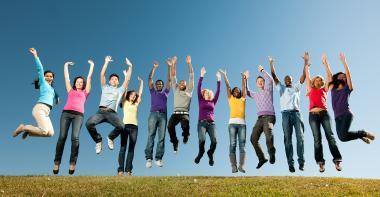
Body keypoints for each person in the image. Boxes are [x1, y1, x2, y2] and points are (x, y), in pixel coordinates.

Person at [53, 60, 94, 175]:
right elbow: (67, 78)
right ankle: (57, 162)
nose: (79, 83)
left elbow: (89, 78)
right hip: (66, 114)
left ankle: (72, 163)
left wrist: (92, 66)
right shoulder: (70, 90)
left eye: (81, 82)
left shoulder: (86, 92)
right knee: (62, 137)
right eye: (77, 82)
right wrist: (65, 65)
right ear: (75, 83)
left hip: (78, 116)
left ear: (83, 84)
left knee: (75, 138)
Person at [85, 56, 132, 154]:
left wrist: (130, 67)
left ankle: (110, 138)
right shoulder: (105, 87)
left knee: (121, 126)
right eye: (112, 79)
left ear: (118, 82)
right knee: (89, 123)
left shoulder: (120, 90)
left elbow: (127, 80)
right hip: (101, 112)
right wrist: (106, 62)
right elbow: (102, 75)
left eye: (116, 79)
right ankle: (98, 140)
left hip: (112, 113)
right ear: (109, 81)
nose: (114, 80)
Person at [305, 53, 342, 173]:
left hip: (324, 114)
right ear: (314, 81)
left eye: (321, 80)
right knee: (317, 139)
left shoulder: (324, 89)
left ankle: (337, 160)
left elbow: (330, 77)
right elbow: (307, 75)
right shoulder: (310, 90)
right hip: (312, 116)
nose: (319, 80)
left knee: (330, 137)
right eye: (318, 79)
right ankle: (320, 163)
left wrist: (326, 64)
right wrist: (306, 65)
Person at [269, 54, 307, 173]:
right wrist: (271, 63)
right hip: (285, 115)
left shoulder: (296, 87)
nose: (288, 80)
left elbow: (303, 77)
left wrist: (305, 62)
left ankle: (301, 162)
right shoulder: (280, 88)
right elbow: (274, 76)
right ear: (284, 81)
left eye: (290, 78)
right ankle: (290, 164)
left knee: (300, 138)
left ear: (292, 80)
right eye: (286, 79)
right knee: (288, 139)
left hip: (296, 114)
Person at [328, 53, 375, 143]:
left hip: (346, 114)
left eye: (344, 77)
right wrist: (325, 63)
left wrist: (344, 62)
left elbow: (348, 74)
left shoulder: (347, 88)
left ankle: (363, 133)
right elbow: (329, 75)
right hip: (337, 117)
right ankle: (361, 135)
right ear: (336, 78)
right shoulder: (333, 89)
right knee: (342, 138)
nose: (343, 77)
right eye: (340, 76)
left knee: (343, 135)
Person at [13, 48, 59, 139]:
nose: (49, 77)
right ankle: (23, 127)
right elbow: (40, 69)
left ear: (53, 78)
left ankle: (29, 130)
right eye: (47, 76)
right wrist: (35, 55)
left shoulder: (52, 90)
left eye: (51, 76)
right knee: (44, 130)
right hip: (40, 108)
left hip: (47, 112)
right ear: (44, 77)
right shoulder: (43, 83)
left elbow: (56, 93)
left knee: (50, 133)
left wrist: (57, 98)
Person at [246, 64, 276, 169]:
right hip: (259, 119)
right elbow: (246, 91)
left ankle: (272, 153)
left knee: (268, 134)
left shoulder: (268, 89)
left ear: (264, 83)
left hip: (269, 116)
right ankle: (262, 158)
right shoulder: (255, 95)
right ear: (256, 84)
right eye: (258, 81)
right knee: (253, 138)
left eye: (262, 81)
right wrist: (246, 79)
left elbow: (270, 80)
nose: (260, 82)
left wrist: (262, 71)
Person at [219, 69, 247, 173]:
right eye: (234, 90)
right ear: (232, 93)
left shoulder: (242, 99)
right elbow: (228, 87)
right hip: (232, 124)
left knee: (242, 145)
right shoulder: (230, 98)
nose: (236, 91)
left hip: (242, 125)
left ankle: (241, 166)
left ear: (239, 93)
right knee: (232, 144)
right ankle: (233, 166)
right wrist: (225, 76)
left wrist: (243, 79)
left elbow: (244, 89)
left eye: (237, 91)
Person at [145, 59, 171, 168]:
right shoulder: (153, 91)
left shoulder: (166, 92)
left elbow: (169, 80)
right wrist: (154, 68)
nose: (159, 85)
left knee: (161, 137)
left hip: (163, 116)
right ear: (156, 86)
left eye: (161, 84)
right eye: (158, 84)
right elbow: (149, 78)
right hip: (153, 114)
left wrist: (169, 66)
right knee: (151, 135)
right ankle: (149, 158)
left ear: (162, 85)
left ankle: (158, 158)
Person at [194, 67, 221, 166]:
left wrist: (219, 80)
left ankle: (210, 153)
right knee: (202, 139)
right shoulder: (200, 100)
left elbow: (218, 91)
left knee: (214, 141)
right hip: (201, 123)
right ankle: (201, 153)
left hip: (211, 124)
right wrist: (202, 75)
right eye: (204, 92)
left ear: (209, 94)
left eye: (207, 93)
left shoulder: (213, 101)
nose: (205, 93)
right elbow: (198, 87)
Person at [167, 56, 194, 153]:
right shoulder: (176, 89)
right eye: (180, 82)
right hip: (175, 113)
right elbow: (173, 76)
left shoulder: (189, 89)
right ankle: (175, 142)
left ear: (186, 85)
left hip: (184, 113)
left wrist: (189, 63)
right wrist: (174, 64)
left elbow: (191, 76)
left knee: (185, 124)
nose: (182, 83)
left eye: (184, 83)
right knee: (169, 127)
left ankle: (186, 135)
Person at [117, 76, 143, 176]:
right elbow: (125, 89)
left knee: (131, 149)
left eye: (134, 95)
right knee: (123, 148)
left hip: (134, 128)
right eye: (131, 94)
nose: (133, 96)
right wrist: (126, 77)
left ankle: (128, 170)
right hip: (124, 127)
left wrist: (141, 82)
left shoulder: (136, 104)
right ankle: (120, 170)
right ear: (128, 95)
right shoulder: (124, 102)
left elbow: (140, 93)